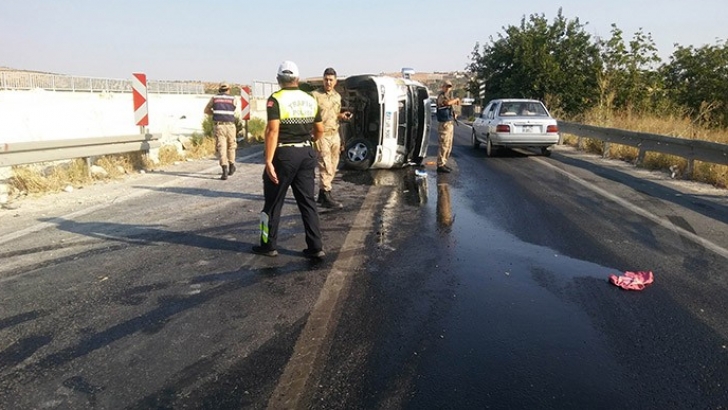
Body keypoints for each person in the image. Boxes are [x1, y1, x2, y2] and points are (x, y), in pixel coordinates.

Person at [252, 61, 325, 259]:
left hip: (284, 155)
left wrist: (268, 160)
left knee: (273, 202)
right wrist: (310, 142)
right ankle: (315, 247)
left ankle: (268, 245)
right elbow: (319, 130)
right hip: (306, 154)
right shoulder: (310, 99)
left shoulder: (275, 99)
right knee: (307, 202)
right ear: (297, 79)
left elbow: (272, 130)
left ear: (278, 80)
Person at [312, 67, 351, 209]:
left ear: (335, 81)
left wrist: (342, 115)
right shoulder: (315, 95)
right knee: (325, 164)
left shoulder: (337, 96)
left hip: (334, 133)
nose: (328, 82)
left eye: (330, 80)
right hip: (322, 134)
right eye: (326, 79)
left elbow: (335, 115)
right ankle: (326, 193)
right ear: (323, 80)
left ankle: (323, 193)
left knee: (334, 164)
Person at [204, 83, 238, 180]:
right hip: (230, 126)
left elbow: (206, 110)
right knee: (232, 146)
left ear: (219, 89)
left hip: (219, 126)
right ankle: (232, 166)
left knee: (221, 147)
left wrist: (214, 114)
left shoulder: (214, 98)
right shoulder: (233, 99)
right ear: (229, 89)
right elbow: (234, 108)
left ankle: (224, 170)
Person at [435, 80, 460, 173]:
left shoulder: (449, 96)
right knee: (444, 144)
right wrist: (456, 100)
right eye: (446, 86)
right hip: (444, 124)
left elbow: (451, 107)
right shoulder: (441, 96)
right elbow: (447, 103)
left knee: (448, 145)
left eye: (449, 87)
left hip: (449, 122)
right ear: (443, 87)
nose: (448, 88)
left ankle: (443, 163)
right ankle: (440, 164)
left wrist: (455, 114)